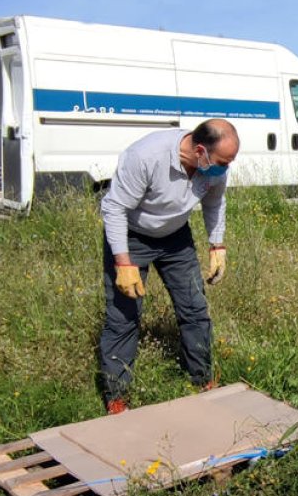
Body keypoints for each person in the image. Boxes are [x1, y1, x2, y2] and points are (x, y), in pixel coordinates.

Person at [98, 119, 239, 414]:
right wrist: (123, 261)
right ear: (200, 150)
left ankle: (201, 380)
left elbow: (215, 203)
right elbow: (114, 208)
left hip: (176, 238)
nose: (225, 169)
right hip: (132, 236)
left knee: (195, 309)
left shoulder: (213, 168)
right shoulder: (146, 157)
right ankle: (117, 397)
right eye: (223, 162)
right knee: (124, 317)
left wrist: (217, 244)